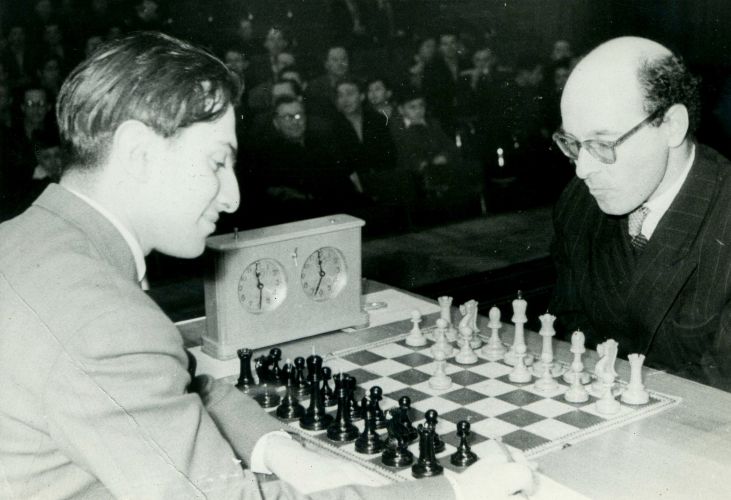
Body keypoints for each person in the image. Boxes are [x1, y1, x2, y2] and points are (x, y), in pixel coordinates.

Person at [0, 31, 533, 499]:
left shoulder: (29, 242)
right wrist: (457, 491)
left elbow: (174, 389)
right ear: (138, 151)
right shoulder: (102, 320)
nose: (232, 196)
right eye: (217, 162)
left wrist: (284, 453)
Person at [550, 36, 731, 391]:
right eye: (571, 143)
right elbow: (569, 332)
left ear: (672, 125)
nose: (582, 169)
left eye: (603, 144)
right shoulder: (578, 204)